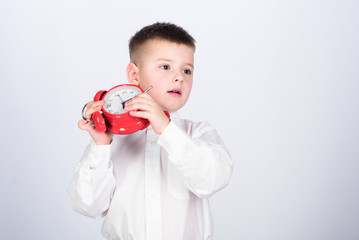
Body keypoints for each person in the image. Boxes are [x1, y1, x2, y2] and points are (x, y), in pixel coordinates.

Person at [68, 22, 233, 240]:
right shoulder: (112, 140)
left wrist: (164, 127)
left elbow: (211, 180)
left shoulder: (199, 133)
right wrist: (100, 146)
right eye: (165, 67)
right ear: (134, 76)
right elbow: (88, 206)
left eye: (187, 70)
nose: (179, 77)